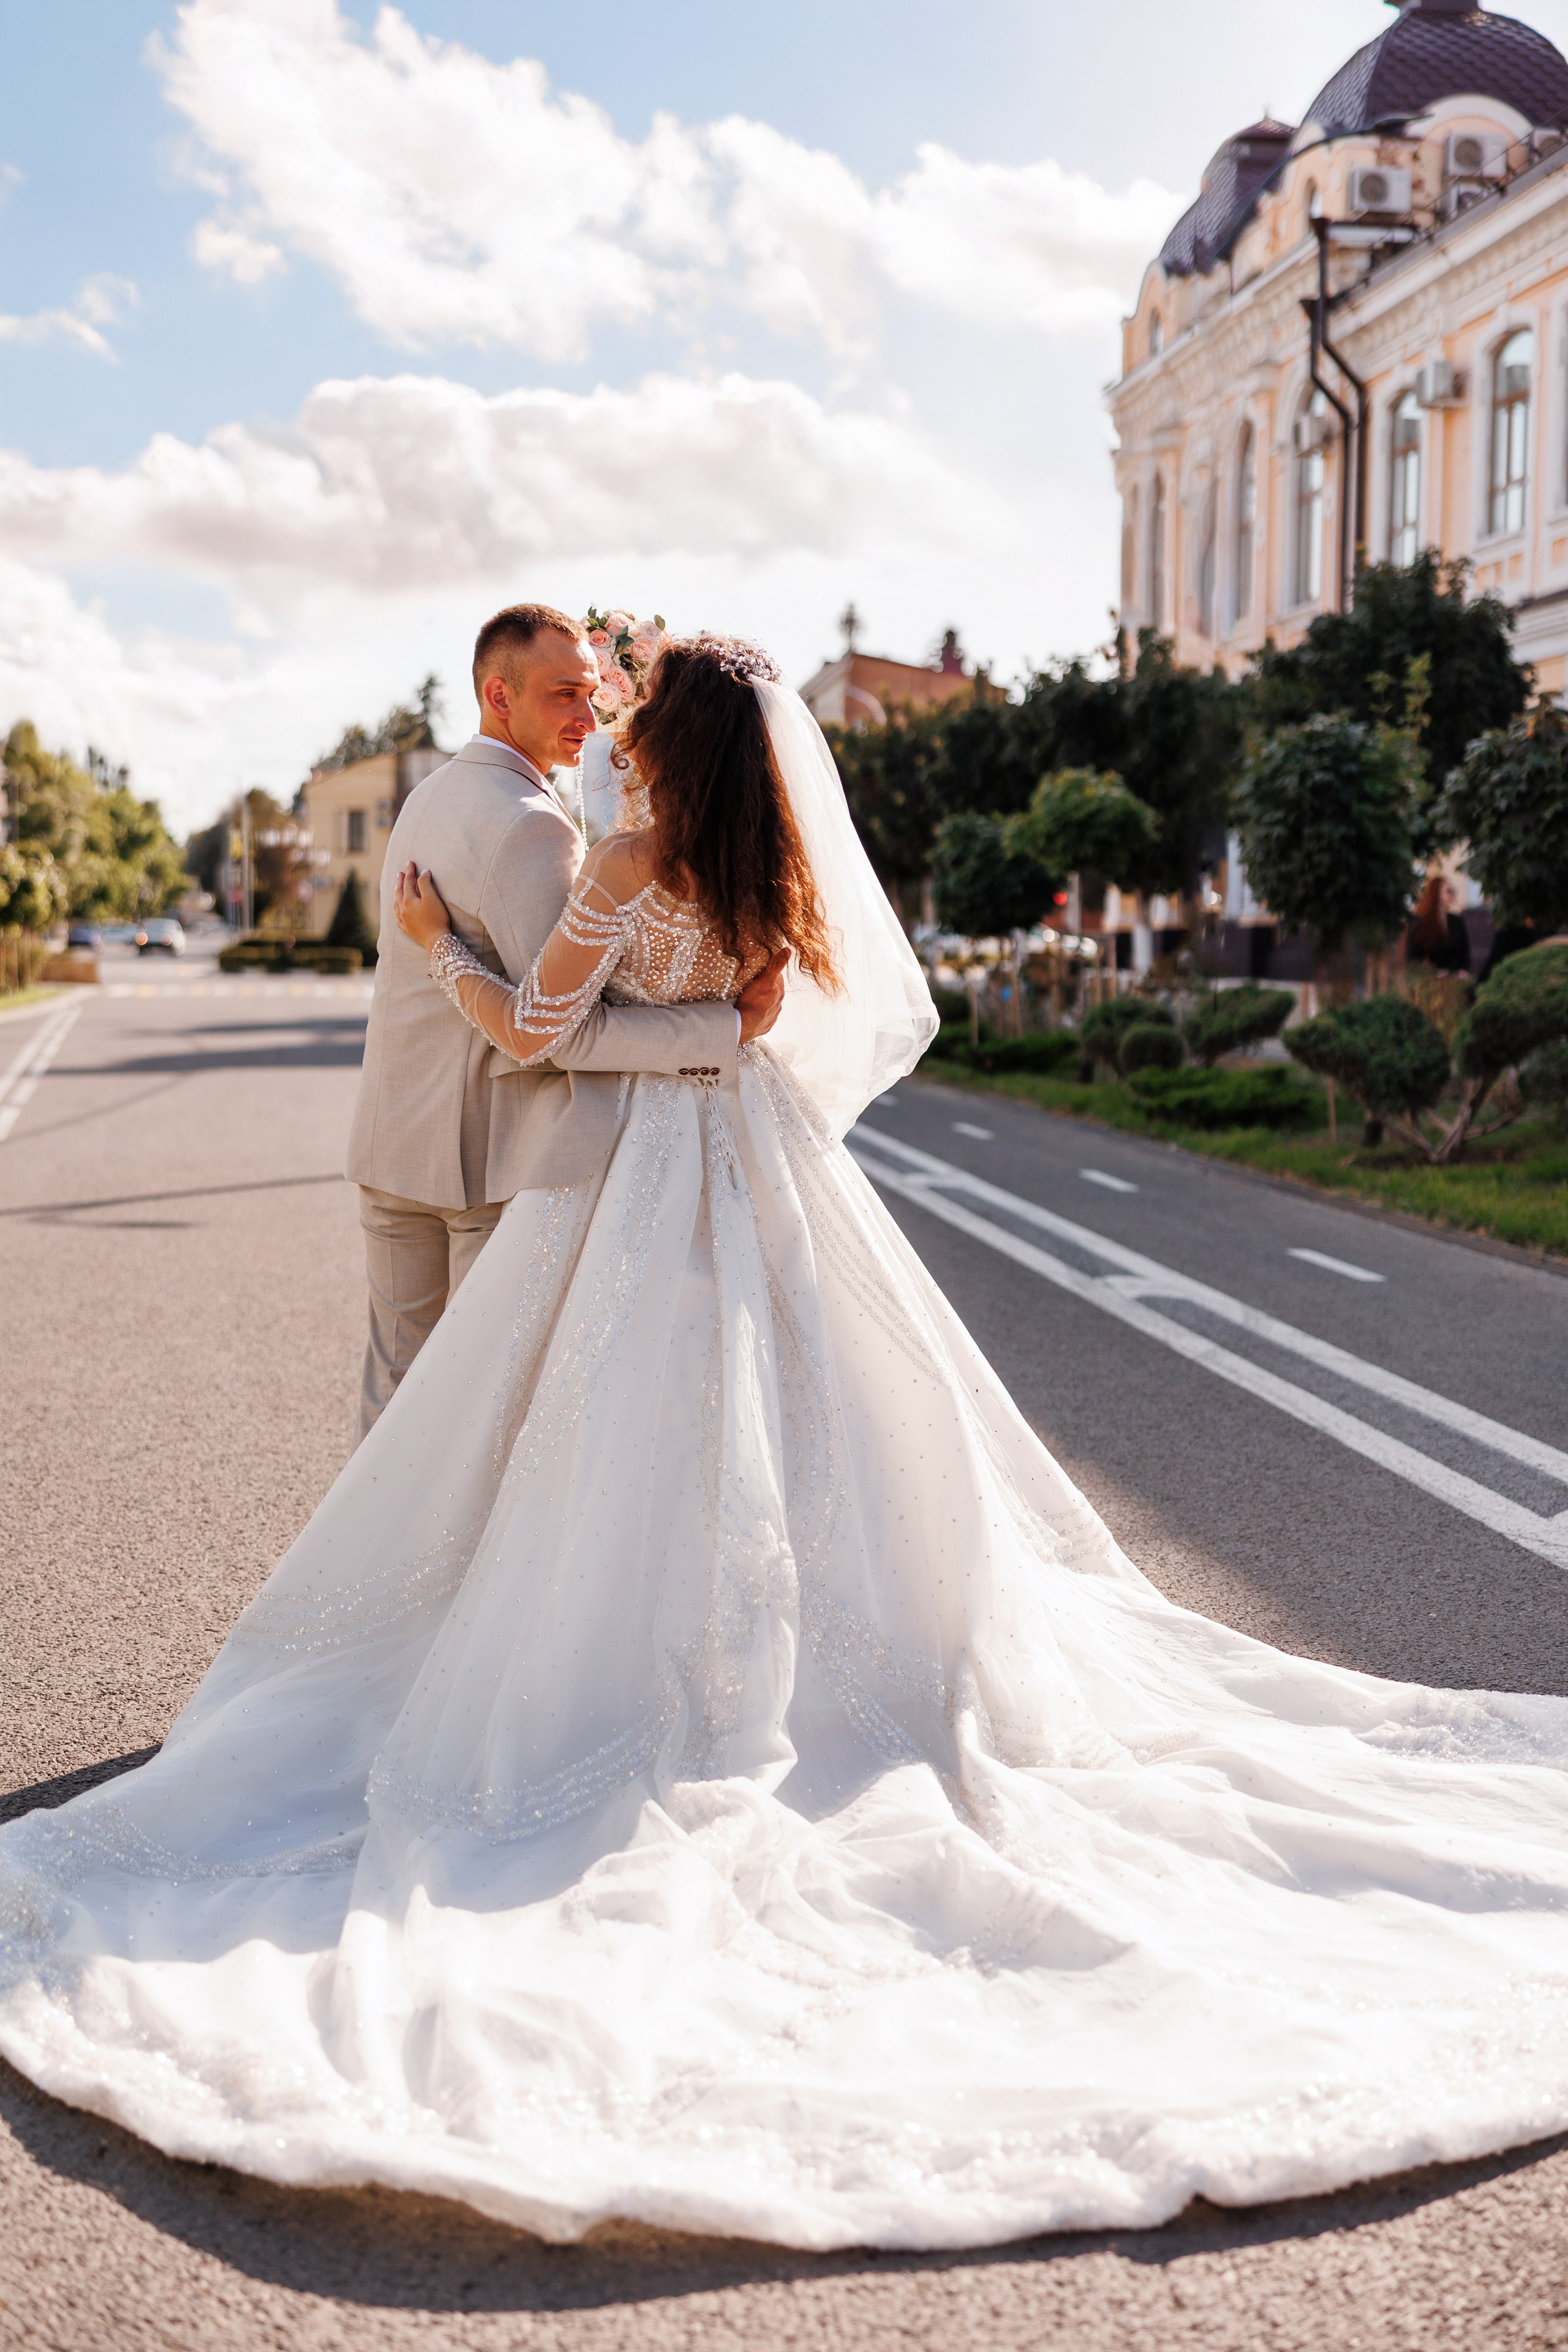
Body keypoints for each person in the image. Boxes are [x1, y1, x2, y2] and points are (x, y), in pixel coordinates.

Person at [5, 636, 1568, 2253]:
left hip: (634, 1180)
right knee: (816, 1413)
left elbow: (537, 1034)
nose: (613, 734)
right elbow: (760, 1020)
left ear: (670, 749)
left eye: (633, 720)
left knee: (605, 1436)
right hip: (764, 1165)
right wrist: (710, 1025)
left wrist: (443, 955)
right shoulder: (774, 879)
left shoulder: (625, 861)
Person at [345, 601, 785, 1439]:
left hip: (392, 1142)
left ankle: (362, 1530)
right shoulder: (533, 827)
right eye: (563, 695)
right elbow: (559, 1028)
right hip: (487, 1157)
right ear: (498, 695)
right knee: (479, 1412)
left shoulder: (426, 797)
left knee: (395, 1392)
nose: (590, 715)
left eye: (592, 692)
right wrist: (724, 1029)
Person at [1406, 872, 1471, 975]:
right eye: (1448, 891)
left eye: (1453, 890)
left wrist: (1462, 971)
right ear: (1436, 893)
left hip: (1453, 978)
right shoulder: (1420, 922)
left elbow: (1465, 953)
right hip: (1428, 978)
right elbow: (1414, 955)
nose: (1453, 893)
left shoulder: (1456, 921)